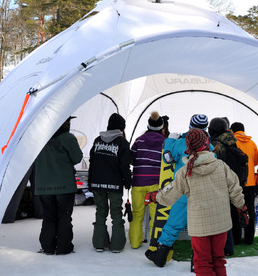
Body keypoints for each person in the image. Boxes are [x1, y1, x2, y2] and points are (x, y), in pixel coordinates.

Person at [146, 128, 247, 276]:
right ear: (206, 143)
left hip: (200, 225)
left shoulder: (186, 171)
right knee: (218, 258)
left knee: (202, 261)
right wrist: (242, 207)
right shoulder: (221, 166)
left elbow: (170, 195)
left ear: (189, 147)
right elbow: (235, 189)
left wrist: (154, 197)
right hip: (221, 223)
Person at [145, 114, 210, 267]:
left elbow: (167, 158)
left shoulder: (181, 143)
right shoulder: (211, 147)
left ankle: (160, 256)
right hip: (203, 192)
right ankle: (197, 263)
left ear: (190, 127)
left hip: (182, 190)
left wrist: (169, 141)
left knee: (173, 223)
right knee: (200, 228)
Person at [34, 117, 83, 255]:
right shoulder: (68, 138)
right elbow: (77, 158)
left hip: (43, 186)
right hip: (64, 186)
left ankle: (48, 247)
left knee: (49, 217)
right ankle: (64, 247)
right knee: (64, 216)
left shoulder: (39, 137)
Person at [88, 113, 132, 252]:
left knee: (100, 211)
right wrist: (128, 181)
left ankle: (99, 243)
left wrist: (91, 181)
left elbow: (92, 161)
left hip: (97, 182)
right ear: (121, 128)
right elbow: (125, 165)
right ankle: (117, 245)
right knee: (116, 213)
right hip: (114, 183)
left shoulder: (97, 140)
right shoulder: (122, 143)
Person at [208, 117, 248, 256]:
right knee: (231, 215)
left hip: (220, 185)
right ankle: (230, 247)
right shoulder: (232, 142)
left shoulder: (217, 145)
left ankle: (222, 248)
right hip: (235, 183)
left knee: (220, 218)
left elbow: (213, 166)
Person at [129, 111, 166, 249]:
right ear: (162, 127)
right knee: (155, 215)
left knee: (137, 214)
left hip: (138, 183)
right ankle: (155, 244)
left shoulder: (139, 140)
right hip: (155, 184)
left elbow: (131, 158)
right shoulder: (164, 142)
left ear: (148, 125)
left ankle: (134, 243)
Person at [230, 122, 258, 244]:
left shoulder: (232, 142)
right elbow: (256, 161)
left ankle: (236, 239)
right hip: (251, 183)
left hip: (236, 182)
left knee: (235, 210)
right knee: (250, 211)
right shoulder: (252, 143)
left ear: (232, 130)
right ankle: (249, 239)